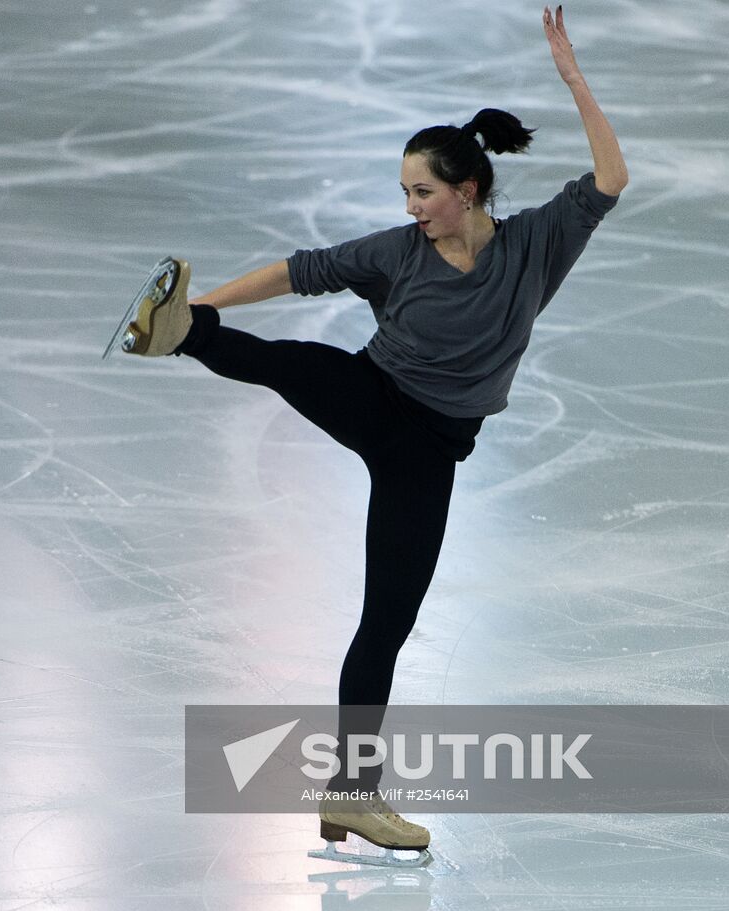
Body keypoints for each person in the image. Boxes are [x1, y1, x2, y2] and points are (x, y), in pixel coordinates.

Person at [118, 5, 627, 857]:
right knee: (291, 363)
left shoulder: (537, 245)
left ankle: (351, 794)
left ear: (468, 191)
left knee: (385, 624)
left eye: (423, 192)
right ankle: (183, 331)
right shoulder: (398, 251)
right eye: (405, 194)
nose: (412, 206)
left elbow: (611, 177)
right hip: (375, 395)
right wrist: (203, 304)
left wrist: (574, 81)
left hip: (431, 451)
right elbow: (299, 271)